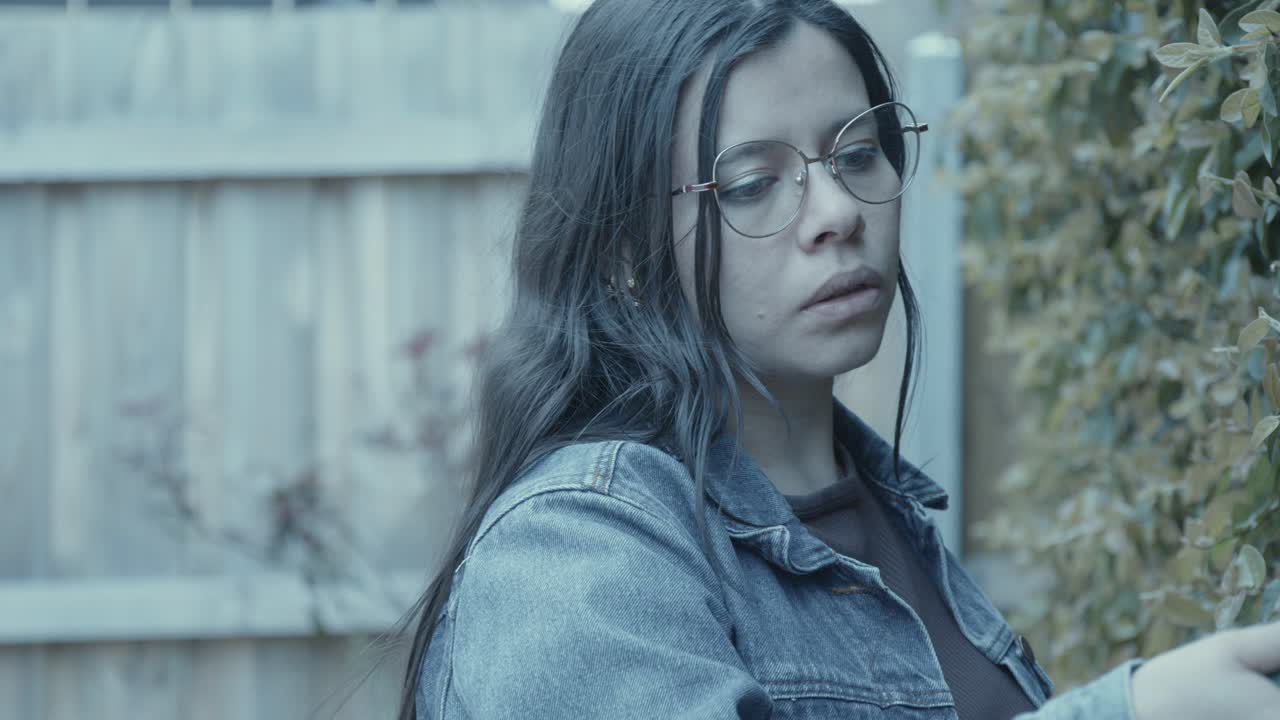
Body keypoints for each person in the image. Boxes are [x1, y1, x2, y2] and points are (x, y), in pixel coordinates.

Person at [395, 1, 1280, 718]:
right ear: (623, 249)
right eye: (752, 182)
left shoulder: (890, 517)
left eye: (857, 155)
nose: (837, 211)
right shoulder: (575, 551)